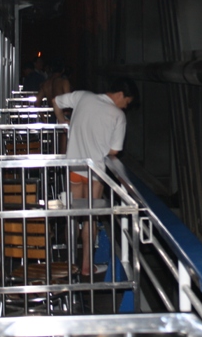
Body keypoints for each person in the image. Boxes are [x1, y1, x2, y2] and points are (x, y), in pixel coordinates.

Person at [52, 77, 138, 276]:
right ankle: (85, 267)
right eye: (127, 102)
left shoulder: (83, 96)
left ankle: (68, 262)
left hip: (74, 167)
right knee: (90, 218)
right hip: (95, 172)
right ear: (120, 95)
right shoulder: (117, 116)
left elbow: (55, 101)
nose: (125, 107)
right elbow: (114, 151)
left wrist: (61, 120)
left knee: (72, 215)